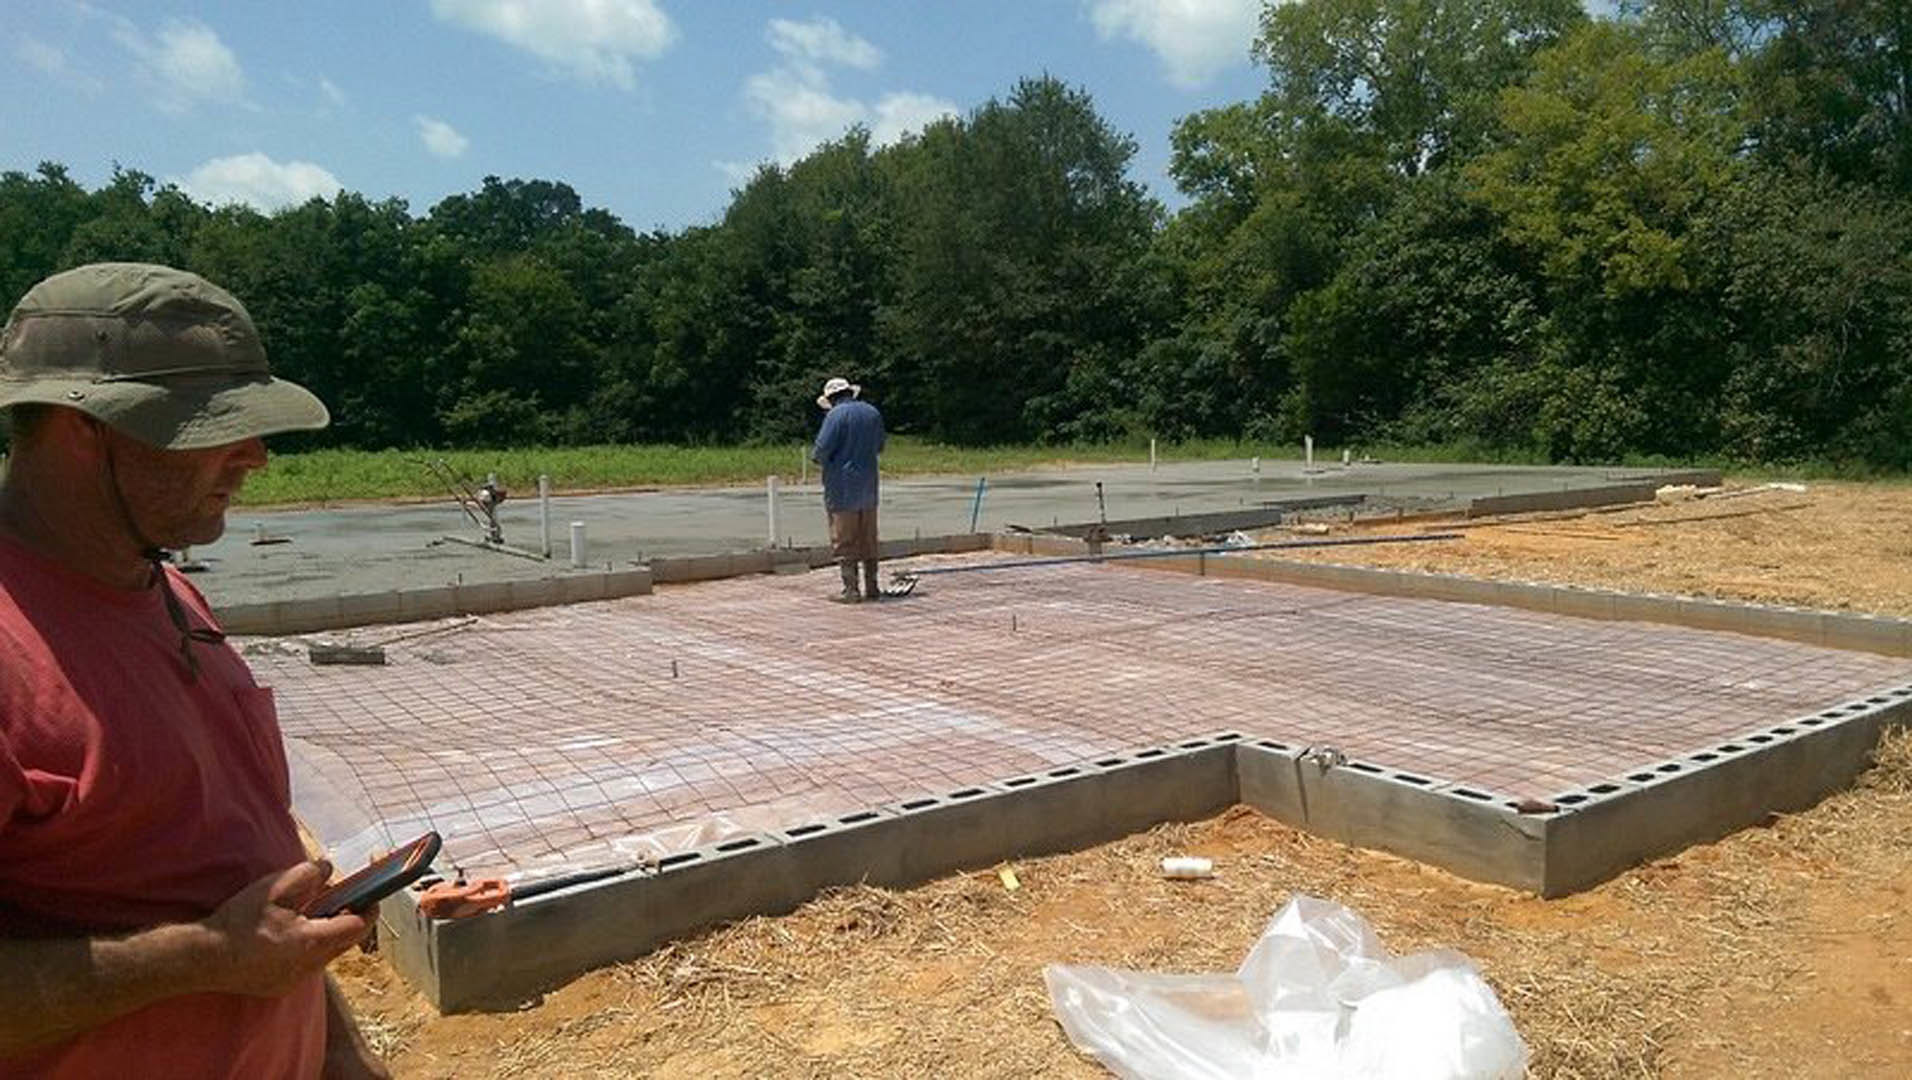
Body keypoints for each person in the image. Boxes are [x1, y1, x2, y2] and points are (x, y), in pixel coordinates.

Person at [0, 263, 389, 1078]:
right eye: (208, 426)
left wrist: (346, 1061)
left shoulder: (168, 590)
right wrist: (201, 957)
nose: (255, 456)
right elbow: (236, 942)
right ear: (84, 431)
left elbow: (253, 899)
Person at [810, 375, 886, 603]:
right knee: (869, 537)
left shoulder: (835, 416)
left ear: (831, 399)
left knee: (844, 539)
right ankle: (872, 587)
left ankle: (851, 590)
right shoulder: (872, 412)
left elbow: (820, 451)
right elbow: (880, 445)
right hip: (869, 484)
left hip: (842, 487)